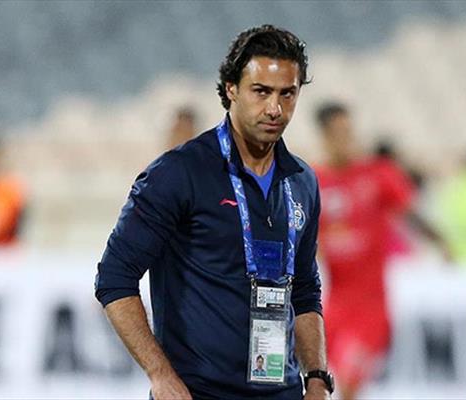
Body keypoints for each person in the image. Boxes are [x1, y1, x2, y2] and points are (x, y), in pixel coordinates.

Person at [95, 25, 333, 400]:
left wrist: (317, 377)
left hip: (282, 392)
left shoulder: (302, 181)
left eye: (287, 93)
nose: (275, 108)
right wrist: (160, 375)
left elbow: (304, 290)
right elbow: (114, 278)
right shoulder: (179, 173)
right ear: (231, 89)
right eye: (261, 91)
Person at [313, 103, 424, 400]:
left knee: (350, 385)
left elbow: (411, 213)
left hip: (371, 308)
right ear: (325, 137)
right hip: (334, 306)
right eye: (338, 133)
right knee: (315, 384)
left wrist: (443, 244)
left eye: (348, 132)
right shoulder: (314, 180)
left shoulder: (378, 174)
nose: (346, 139)